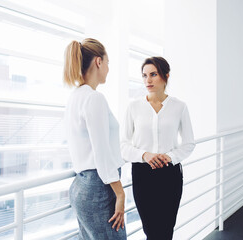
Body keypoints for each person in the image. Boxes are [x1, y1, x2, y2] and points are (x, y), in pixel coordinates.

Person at [121, 57, 195, 240]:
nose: (148, 80)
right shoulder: (133, 107)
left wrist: (170, 157)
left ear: (166, 76)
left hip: (170, 175)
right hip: (142, 175)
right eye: (145, 75)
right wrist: (144, 155)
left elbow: (189, 143)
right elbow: (123, 145)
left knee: (166, 229)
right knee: (150, 230)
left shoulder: (180, 107)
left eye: (153, 74)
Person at [64, 38, 127, 240]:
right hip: (99, 188)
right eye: (108, 63)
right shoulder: (94, 98)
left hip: (82, 187)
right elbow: (102, 153)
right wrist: (120, 193)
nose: (108, 69)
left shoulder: (75, 97)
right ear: (98, 62)